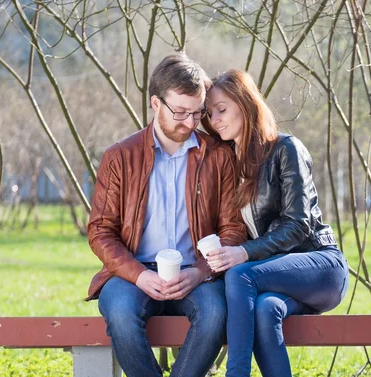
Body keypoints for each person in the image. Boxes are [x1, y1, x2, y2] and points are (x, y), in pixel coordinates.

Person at [86, 54, 247, 377]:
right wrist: (139, 275)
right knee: (119, 311)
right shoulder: (120, 157)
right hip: (134, 272)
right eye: (180, 112)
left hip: (197, 274)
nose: (190, 123)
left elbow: (233, 229)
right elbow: (101, 231)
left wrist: (201, 271)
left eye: (197, 112)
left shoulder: (218, 155)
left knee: (215, 312)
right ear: (156, 104)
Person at [202, 69, 349, 377]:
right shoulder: (230, 161)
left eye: (222, 109)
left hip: (320, 265)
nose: (215, 119)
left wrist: (243, 253)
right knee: (267, 310)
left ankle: (237, 373)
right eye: (209, 113)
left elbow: (299, 225)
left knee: (239, 275)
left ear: (245, 103)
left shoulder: (286, 149)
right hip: (276, 278)